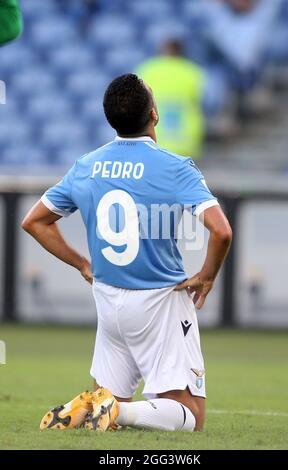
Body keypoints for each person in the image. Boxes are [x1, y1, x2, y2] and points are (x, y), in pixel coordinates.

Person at [22, 74, 232, 433]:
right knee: (190, 415)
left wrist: (82, 263)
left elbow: (34, 222)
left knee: (111, 399)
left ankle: (98, 407)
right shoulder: (176, 167)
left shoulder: (87, 165)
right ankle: (116, 411)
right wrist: (208, 275)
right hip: (160, 300)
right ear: (154, 114)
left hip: (108, 299)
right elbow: (222, 230)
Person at [136, 40, 206, 160]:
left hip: (154, 138)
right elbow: (203, 101)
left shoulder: (148, 69)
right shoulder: (193, 72)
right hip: (185, 139)